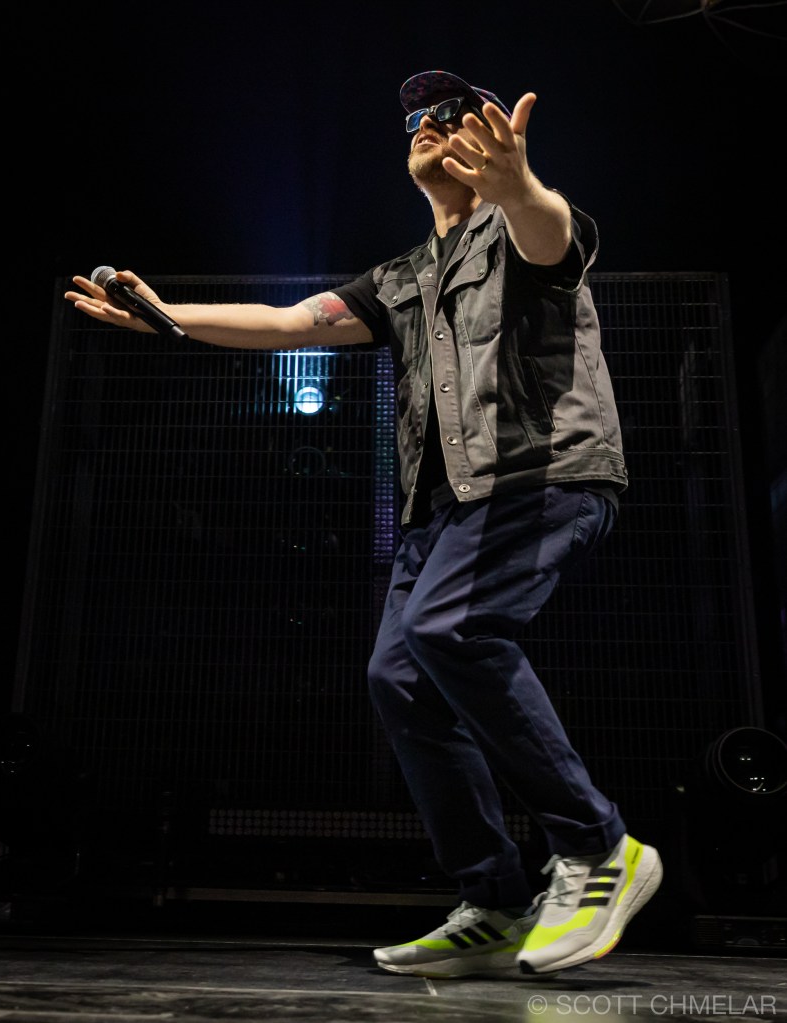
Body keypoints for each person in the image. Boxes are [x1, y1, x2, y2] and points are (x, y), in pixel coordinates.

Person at [65, 69, 663, 978]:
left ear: (488, 137)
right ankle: (499, 898)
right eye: (415, 117)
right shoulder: (403, 276)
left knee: (450, 630)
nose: (426, 124)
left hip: (535, 478)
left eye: (449, 113)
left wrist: (519, 188)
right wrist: (165, 319)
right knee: (400, 676)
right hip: (443, 507)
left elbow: (551, 233)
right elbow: (288, 322)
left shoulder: (527, 224)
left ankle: (599, 846)